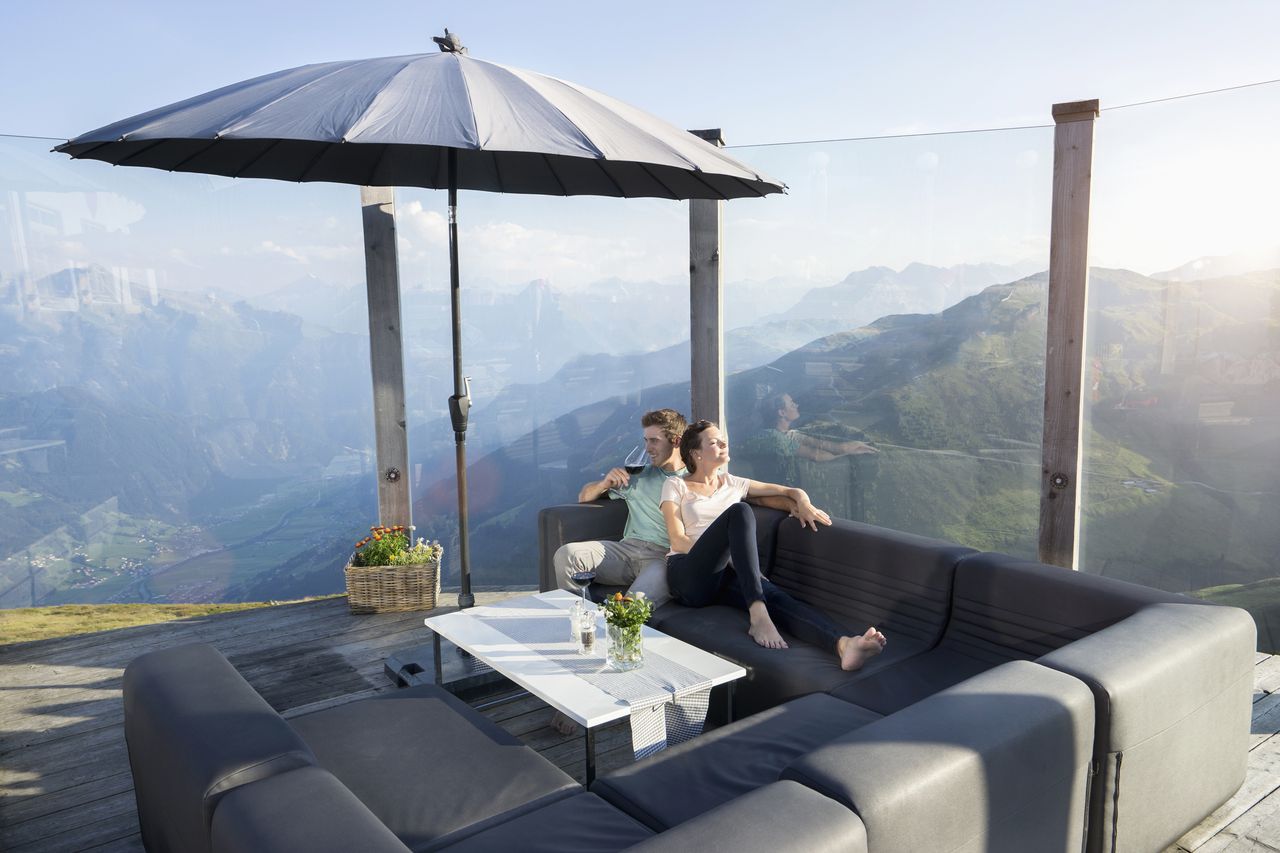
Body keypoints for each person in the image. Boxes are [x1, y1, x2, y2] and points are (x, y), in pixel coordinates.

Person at [661, 420, 886, 670]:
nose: (724, 444)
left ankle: (844, 644)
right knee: (740, 511)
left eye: (723, 439)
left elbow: (790, 491)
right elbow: (678, 540)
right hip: (688, 575)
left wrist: (803, 504)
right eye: (714, 442)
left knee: (778, 599)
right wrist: (726, 555)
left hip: (723, 576)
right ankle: (758, 616)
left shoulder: (733, 483)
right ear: (696, 453)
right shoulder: (676, 485)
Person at [555, 409, 823, 607]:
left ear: (676, 441)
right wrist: (603, 483)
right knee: (567, 555)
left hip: (663, 559)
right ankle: (580, 621)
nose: (647, 448)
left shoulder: (692, 480)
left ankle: (611, 640)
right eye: (645, 440)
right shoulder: (636, 476)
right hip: (626, 549)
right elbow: (584, 496)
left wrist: (795, 504)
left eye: (653, 441)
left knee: (631, 607)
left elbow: (753, 498)